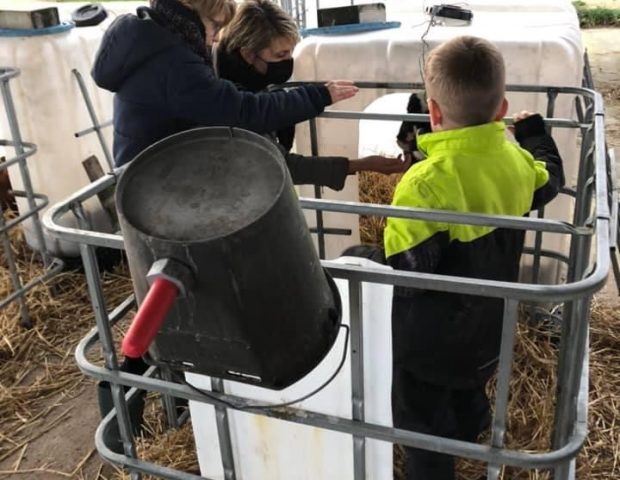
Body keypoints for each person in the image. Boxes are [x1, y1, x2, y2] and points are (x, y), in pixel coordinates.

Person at [383, 36, 564, 479]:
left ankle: (433, 466)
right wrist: (535, 133)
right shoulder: (518, 161)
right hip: (488, 323)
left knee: (420, 418)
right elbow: (551, 181)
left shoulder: (423, 183)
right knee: (468, 384)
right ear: (501, 109)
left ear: (434, 112)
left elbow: (407, 272)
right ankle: (471, 429)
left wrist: (368, 256)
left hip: (427, 341)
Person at [91, 0, 359, 167]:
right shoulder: (173, 63)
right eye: (215, 25)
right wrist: (316, 96)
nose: (218, 36)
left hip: (162, 169)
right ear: (189, 9)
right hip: (157, 185)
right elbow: (242, 112)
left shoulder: (158, 42)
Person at [214, 0, 408, 190]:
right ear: (248, 54)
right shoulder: (218, 94)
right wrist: (361, 165)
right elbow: (279, 167)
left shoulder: (247, 74)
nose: (288, 62)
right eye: (280, 55)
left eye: (291, 53)